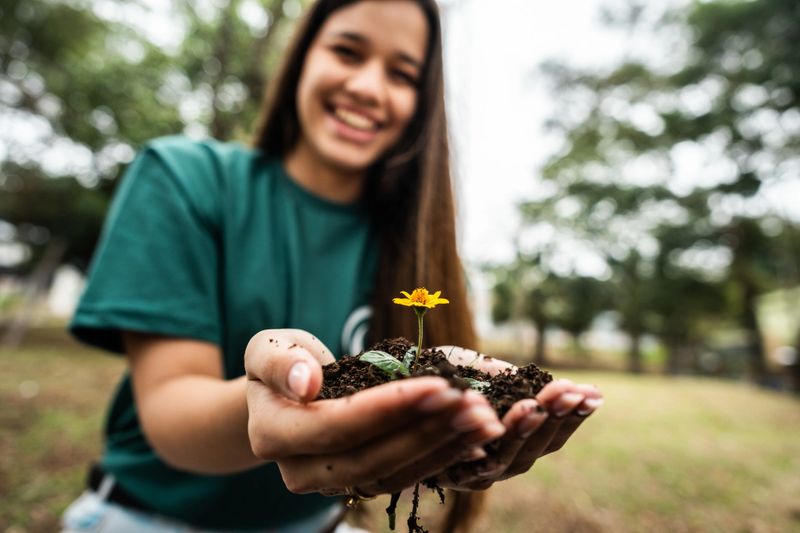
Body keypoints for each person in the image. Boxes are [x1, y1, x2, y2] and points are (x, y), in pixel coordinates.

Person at [61, 0, 604, 532]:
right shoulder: (185, 179)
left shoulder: (416, 252)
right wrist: (270, 401)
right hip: (147, 518)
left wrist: (457, 434)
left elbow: (430, 391)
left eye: (401, 73)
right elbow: (172, 416)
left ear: (422, 103)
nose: (368, 87)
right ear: (301, 58)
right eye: (347, 52)